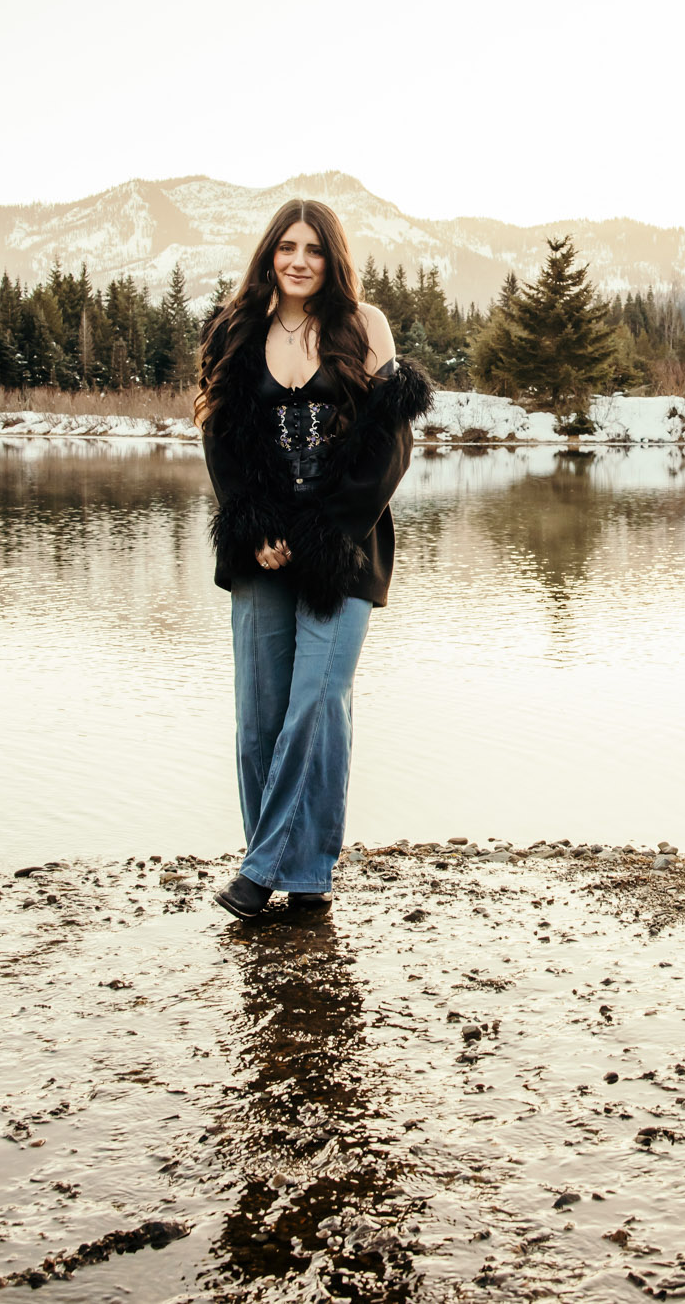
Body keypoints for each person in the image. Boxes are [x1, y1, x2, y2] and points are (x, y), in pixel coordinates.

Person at [194, 199, 431, 921]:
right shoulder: (233, 330)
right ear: (270, 252)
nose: (300, 259)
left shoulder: (365, 325)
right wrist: (254, 524)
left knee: (317, 703)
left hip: (343, 543)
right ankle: (306, 881)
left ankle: (265, 869)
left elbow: (392, 444)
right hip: (260, 547)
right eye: (287, 246)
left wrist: (330, 528)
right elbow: (221, 438)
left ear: (334, 258)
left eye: (315, 249)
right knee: (259, 716)